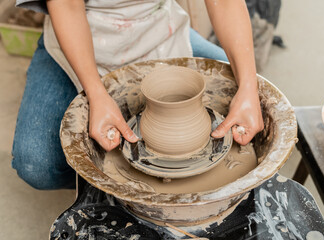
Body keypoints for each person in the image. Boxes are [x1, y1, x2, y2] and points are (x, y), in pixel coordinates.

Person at [12, 0, 264, 190]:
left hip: (156, 24)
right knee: (37, 164)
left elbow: (226, 3)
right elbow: (66, 6)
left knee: (256, 97)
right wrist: (97, 94)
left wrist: (248, 88)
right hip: (80, 29)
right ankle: (106, 189)